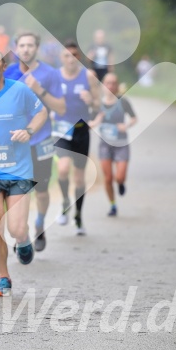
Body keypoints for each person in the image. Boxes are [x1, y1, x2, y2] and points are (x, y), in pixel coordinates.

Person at [0, 47, 48, 296]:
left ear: (4, 66)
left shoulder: (19, 89)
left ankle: (23, 241)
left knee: (16, 228)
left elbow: (42, 112)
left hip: (18, 170)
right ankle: (3, 277)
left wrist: (29, 131)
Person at [4, 32, 65, 252]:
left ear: (36, 48)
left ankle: (40, 223)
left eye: (30, 45)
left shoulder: (50, 74)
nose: (26, 49)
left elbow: (60, 107)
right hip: (15, 142)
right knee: (18, 191)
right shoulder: (8, 72)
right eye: (22, 45)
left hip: (41, 140)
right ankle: (21, 233)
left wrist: (40, 90)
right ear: (16, 48)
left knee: (41, 190)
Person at [54, 40, 100, 235]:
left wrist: (91, 101)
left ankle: (78, 215)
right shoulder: (55, 77)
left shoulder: (88, 76)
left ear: (79, 58)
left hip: (81, 130)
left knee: (79, 178)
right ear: (61, 58)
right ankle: (65, 201)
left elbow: (98, 104)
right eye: (66, 55)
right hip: (61, 130)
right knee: (63, 169)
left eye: (74, 55)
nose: (70, 59)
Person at [88, 73, 137, 216]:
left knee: (119, 177)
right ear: (103, 85)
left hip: (121, 144)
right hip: (105, 145)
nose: (110, 86)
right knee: (108, 178)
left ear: (117, 86)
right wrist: (96, 122)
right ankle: (113, 205)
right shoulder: (98, 105)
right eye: (107, 83)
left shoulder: (123, 102)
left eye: (113, 83)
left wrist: (126, 126)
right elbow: (89, 123)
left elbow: (134, 118)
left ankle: (121, 183)